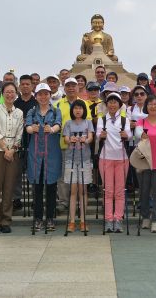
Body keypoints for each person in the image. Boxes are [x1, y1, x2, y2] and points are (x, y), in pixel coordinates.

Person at [0, 82, 24, 234]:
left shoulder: (19, 112)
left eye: (12, 92)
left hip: (12, 153)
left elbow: (20, 135)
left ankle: (6, 219)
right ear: (2, 93)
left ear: (16, 94)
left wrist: (12, 150)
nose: (10, 95)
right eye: (7, 92)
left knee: (9, 187)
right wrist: (5, 149)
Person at [26, 83, 62, 232]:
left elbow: (59, 125)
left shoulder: (55, 111)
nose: (43, 97)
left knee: (52, 187)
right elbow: (27, 127)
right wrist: (31, 128)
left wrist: (52, 129)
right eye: (40, 94)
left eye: (46, 94)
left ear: (49, 95)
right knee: (38, 188)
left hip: (51, 153)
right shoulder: (32, 111)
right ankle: (38, 218)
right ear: (36, 96)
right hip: (35, 154)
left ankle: (50, 218)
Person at [54, 78, 91, 211]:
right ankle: (64, 201)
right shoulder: (58, 104)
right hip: (65, 145)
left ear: (78, 87)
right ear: (64, 88)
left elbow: (88, 123)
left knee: (80, 174)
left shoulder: (85, 103)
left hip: (82, 146)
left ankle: (79, 201)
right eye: (68, 86)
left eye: (73, 86)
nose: (71, 88)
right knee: (65, 174)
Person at [96, 93, 131, 233]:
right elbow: (99, 134)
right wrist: (101, 136)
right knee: (108, 191)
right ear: (106, 104)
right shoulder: (102, 119)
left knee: (120, 192)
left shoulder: (124, 120)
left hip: (122, 158)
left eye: (115, 102)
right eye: (109, 102)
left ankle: (118, 219)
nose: (112, 104)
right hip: (106, 158)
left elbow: (128, 135)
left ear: (119, 105)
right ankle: (109, 219)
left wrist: (126, 135)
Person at [135, 96, 156, 233]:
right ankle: (145, 217)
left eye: (155, 104)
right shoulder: (141, 122)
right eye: (150, 104)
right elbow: (139, 133)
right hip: (144, 161)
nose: (153, 106)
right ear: (146, 107)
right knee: (144, 191)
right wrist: (142, 134)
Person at [62, 100, 94, 233]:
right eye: (75, 108)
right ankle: (71, 221)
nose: (78, 110)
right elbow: (65, 139)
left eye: (80, 108)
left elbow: (91, 138)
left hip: (84, 159)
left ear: (84, 110)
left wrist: (85, 140)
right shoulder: (68, 123)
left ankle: (83, 220)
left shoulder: (88, 122)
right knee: (73, 190)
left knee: (83, 190)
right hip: (70, 159)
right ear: (72, 110)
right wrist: (71, 139)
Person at [13, 75, 38, 211]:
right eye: (22, 84)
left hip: (33, 141)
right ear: (19, 86)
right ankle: (16, 198)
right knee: (16, 172)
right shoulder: (15, 103)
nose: (25, 86)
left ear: (32, 86)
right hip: (18, 141)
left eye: (28, 84)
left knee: (33, 171)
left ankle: (35, 198)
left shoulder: (37, 102)